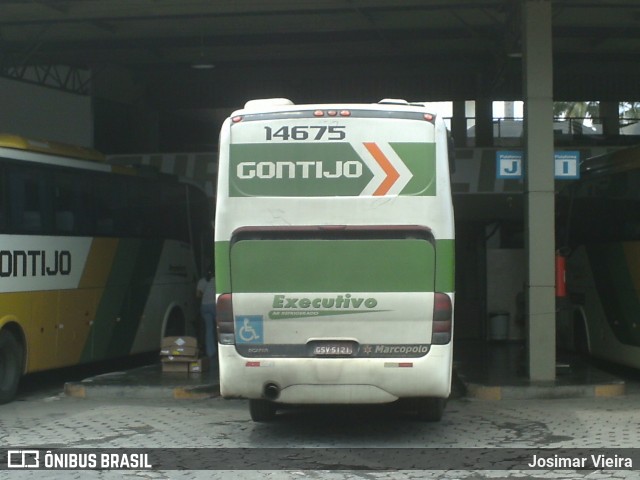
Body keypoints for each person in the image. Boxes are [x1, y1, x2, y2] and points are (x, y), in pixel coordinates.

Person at [196, 266, 216, 363]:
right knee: (220, 328)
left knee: (209, 329)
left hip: (204, 306)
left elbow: (198, 295)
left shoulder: (202, 281)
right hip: (215, 306)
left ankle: (210, 352)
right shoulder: (217, 281)